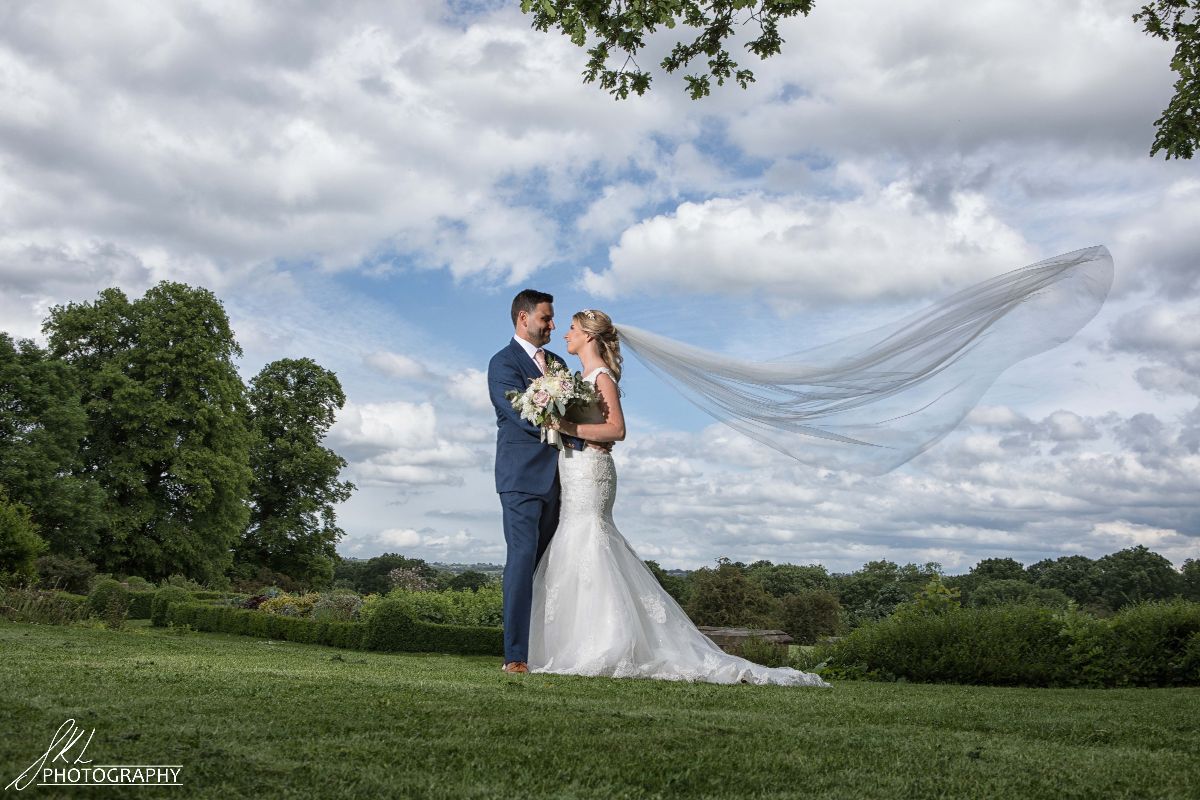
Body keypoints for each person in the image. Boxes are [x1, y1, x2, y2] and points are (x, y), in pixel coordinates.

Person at [527, 309, 830, 687]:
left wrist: (566, 425)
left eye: (572, 328)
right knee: (575, 541)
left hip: (592, 472)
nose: (565, 334)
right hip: (574, 468)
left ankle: (607, 643)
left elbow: (617, 430)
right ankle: (576, 644)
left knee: (590, 539)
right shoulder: (577, 379)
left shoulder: (601, 376)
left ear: (589, 335)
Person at [487, 290, 608, 675]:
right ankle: (516, 656)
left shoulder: (557, 363)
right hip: (521, 478)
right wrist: (580, 437)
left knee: (554, 567)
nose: (553, 326)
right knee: (522, 560)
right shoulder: (502, 363)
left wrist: (590, 438)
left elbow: (574, 408)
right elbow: (522, 415)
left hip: (564, 478)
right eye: (546, 318)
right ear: (524, 318)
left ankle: (551, 649)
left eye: (554, 319)